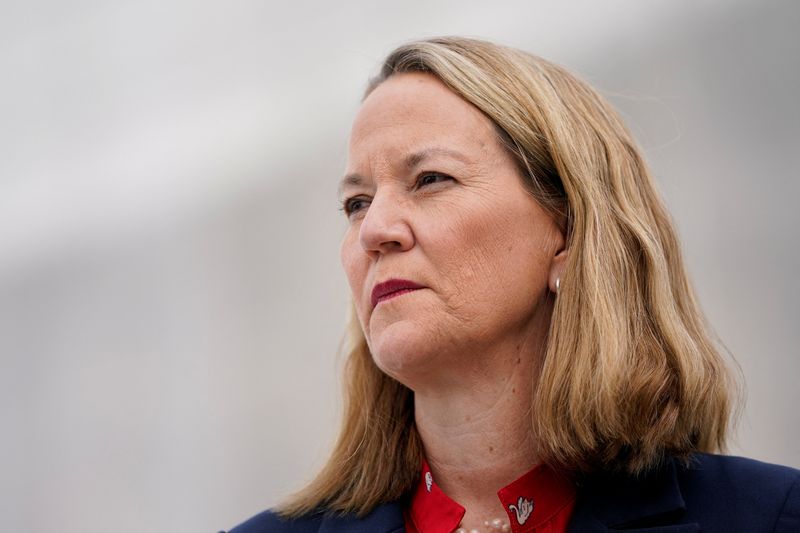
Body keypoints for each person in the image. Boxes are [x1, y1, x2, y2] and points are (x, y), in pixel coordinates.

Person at [226, 37, 799, 533]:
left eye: (430, 179)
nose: (374, 229)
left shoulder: (771, 517)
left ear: (569, 230)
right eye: (357, 202)